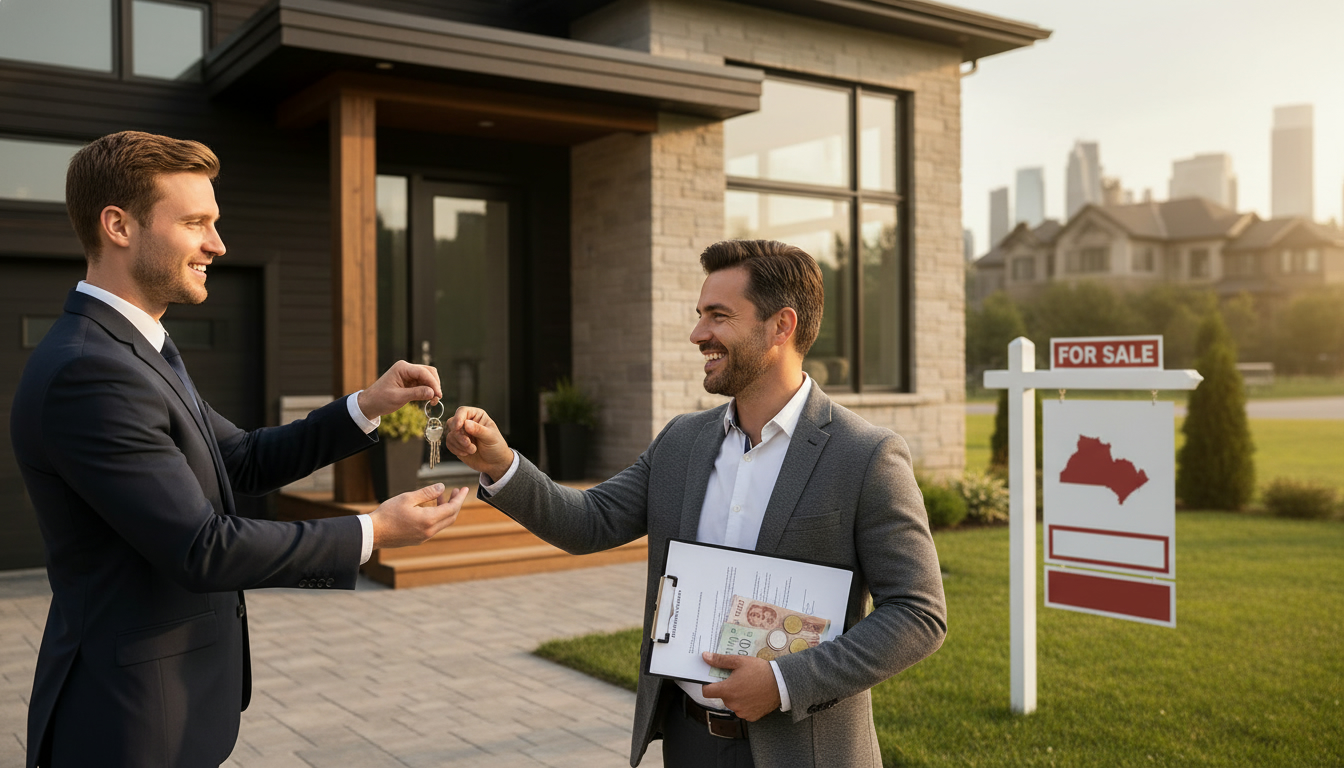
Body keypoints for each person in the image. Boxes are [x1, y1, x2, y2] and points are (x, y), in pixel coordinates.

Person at [10, 131, 470, 768]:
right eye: (196, 223)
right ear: (117, 225)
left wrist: (368, 405)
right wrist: (373, 532)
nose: (217, 245)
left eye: (214, 222)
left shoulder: (139, 351)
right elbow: (202, 548)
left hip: (172, 714)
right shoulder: (90, 370)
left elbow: (243, 460)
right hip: (128, 727)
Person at [445, 239, 947, 767]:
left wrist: (782, 682)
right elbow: (588, 522)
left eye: (718, 316)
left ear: (782, 326)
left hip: (805, 751)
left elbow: (918, 613)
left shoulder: (866, 455)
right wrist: (501, 464)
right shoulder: (681, 441)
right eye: (699, 315)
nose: (697, 334)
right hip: (687, 742)